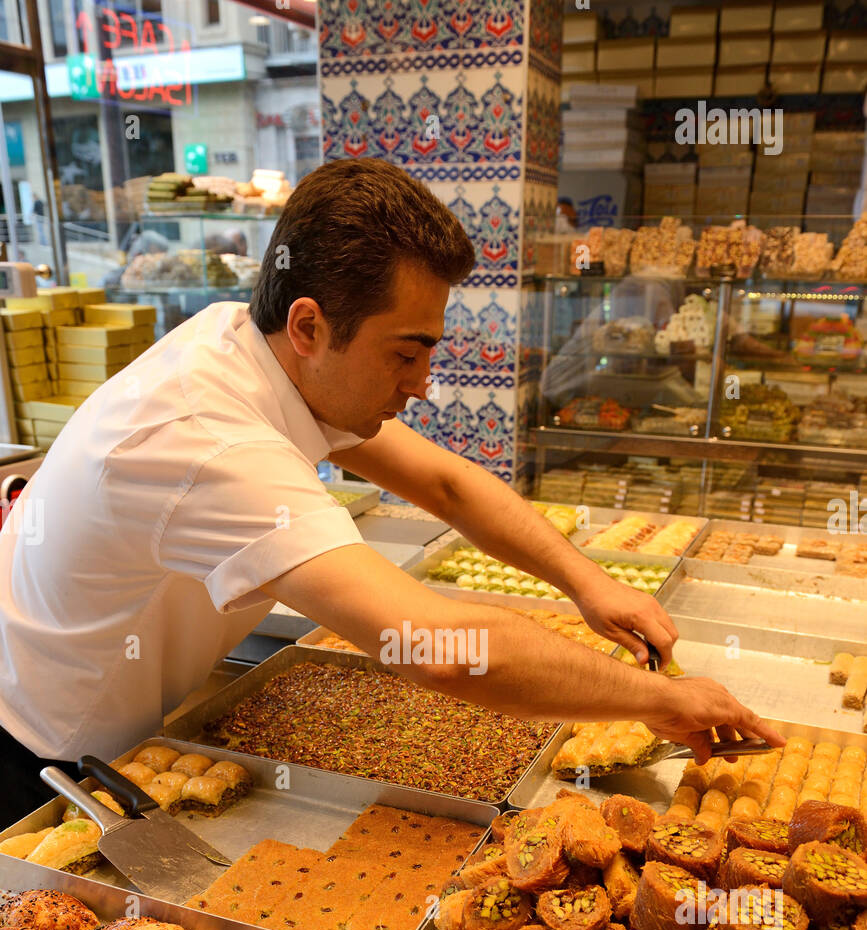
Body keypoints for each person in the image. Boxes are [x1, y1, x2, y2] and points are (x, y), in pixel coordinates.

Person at [0, 159, 780, 821]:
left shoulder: (263, 351)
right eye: (405, 354)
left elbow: (445, 483)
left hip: (117, 712)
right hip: (39, 749)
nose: (422, 385)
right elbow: (437, 649)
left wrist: (588, 583)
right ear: (308, 326)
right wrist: (659, 702)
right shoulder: (207, 438)